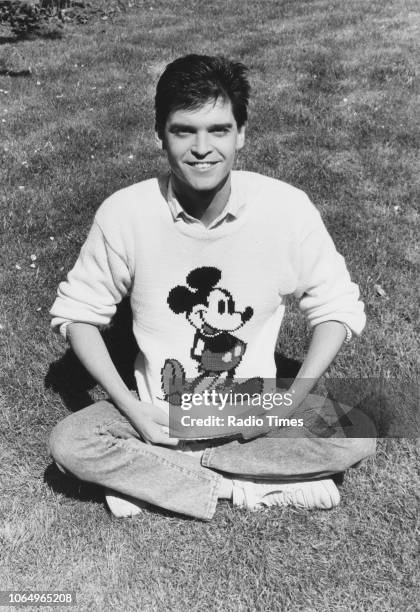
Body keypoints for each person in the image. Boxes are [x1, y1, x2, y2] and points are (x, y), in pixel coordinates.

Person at [48, 54, 376, 521]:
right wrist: (131, 410)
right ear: (161, 134)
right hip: (159, 414)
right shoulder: (126, 213)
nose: (202, 147)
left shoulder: (286, 208)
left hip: (253, 409)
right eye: (184, 130)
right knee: (70, 442)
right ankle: (244, 488)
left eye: (218, 130)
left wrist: (292, 397)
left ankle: (162, 479)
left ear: (241, 133)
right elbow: (78, 312)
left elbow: (337, 307)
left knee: (359, 429)